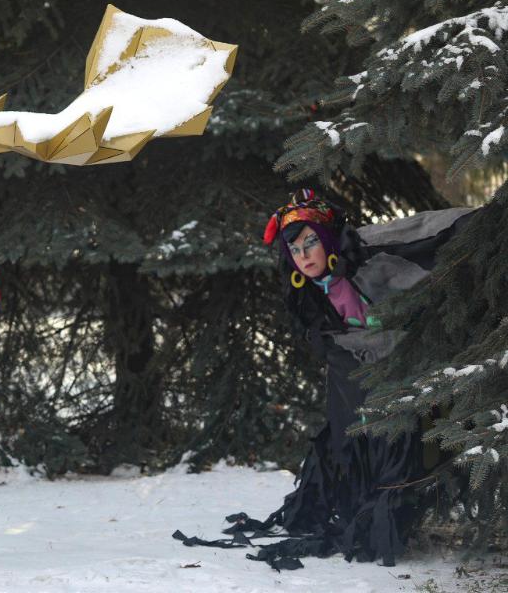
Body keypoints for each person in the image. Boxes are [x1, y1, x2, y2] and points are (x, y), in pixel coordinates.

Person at [173, 188, 475, 569]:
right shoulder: (303, 288)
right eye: (295, 249)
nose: (304, 256)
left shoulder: (365, 249)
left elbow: (426, 228)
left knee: (401, 443)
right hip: (356, 367)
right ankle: (361, 518)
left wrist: (488, 220)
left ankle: (389, 522)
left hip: (410, 356)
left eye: (310, 243)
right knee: (350, 438)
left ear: (327, 238)